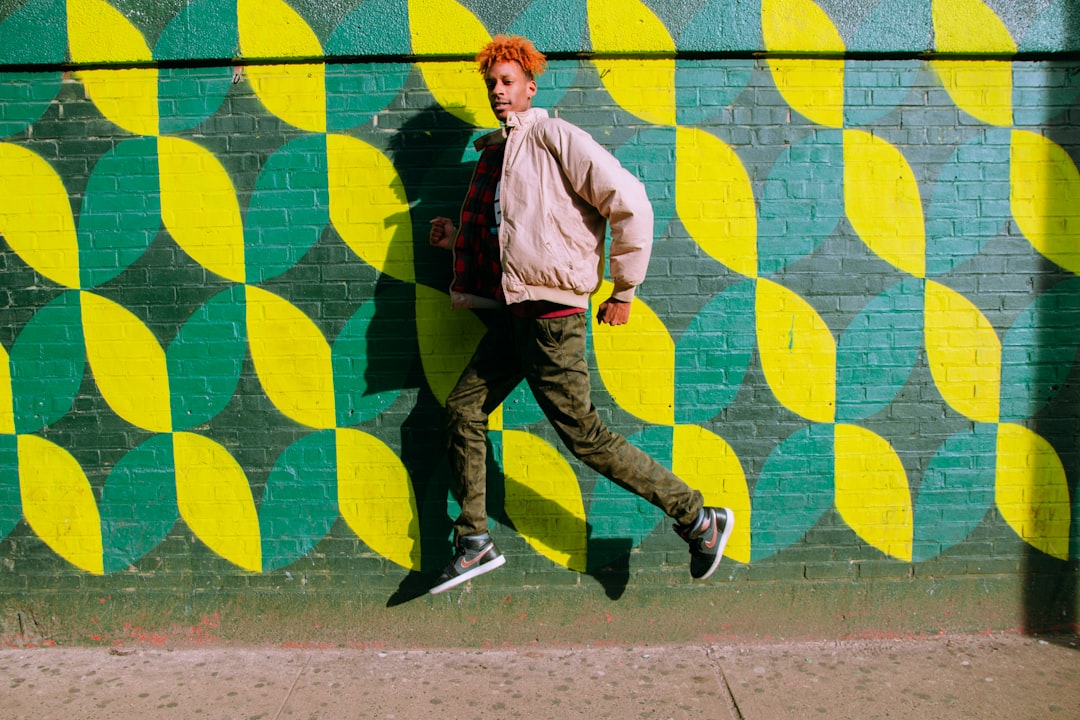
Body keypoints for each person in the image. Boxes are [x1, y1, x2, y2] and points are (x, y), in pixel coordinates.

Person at [427, 35, 733, 595]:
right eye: (491, 83)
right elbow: (522, 238)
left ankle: (698, 517)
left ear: (529, 86)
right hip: (515, 316)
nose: (498, 91)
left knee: (586, 437)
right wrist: (455, 243)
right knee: (462, 409)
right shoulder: (499, 153)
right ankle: (474, 542)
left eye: (507, 81)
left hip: (551, 321)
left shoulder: (552, 136)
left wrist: (625, 287)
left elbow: (630, 201)